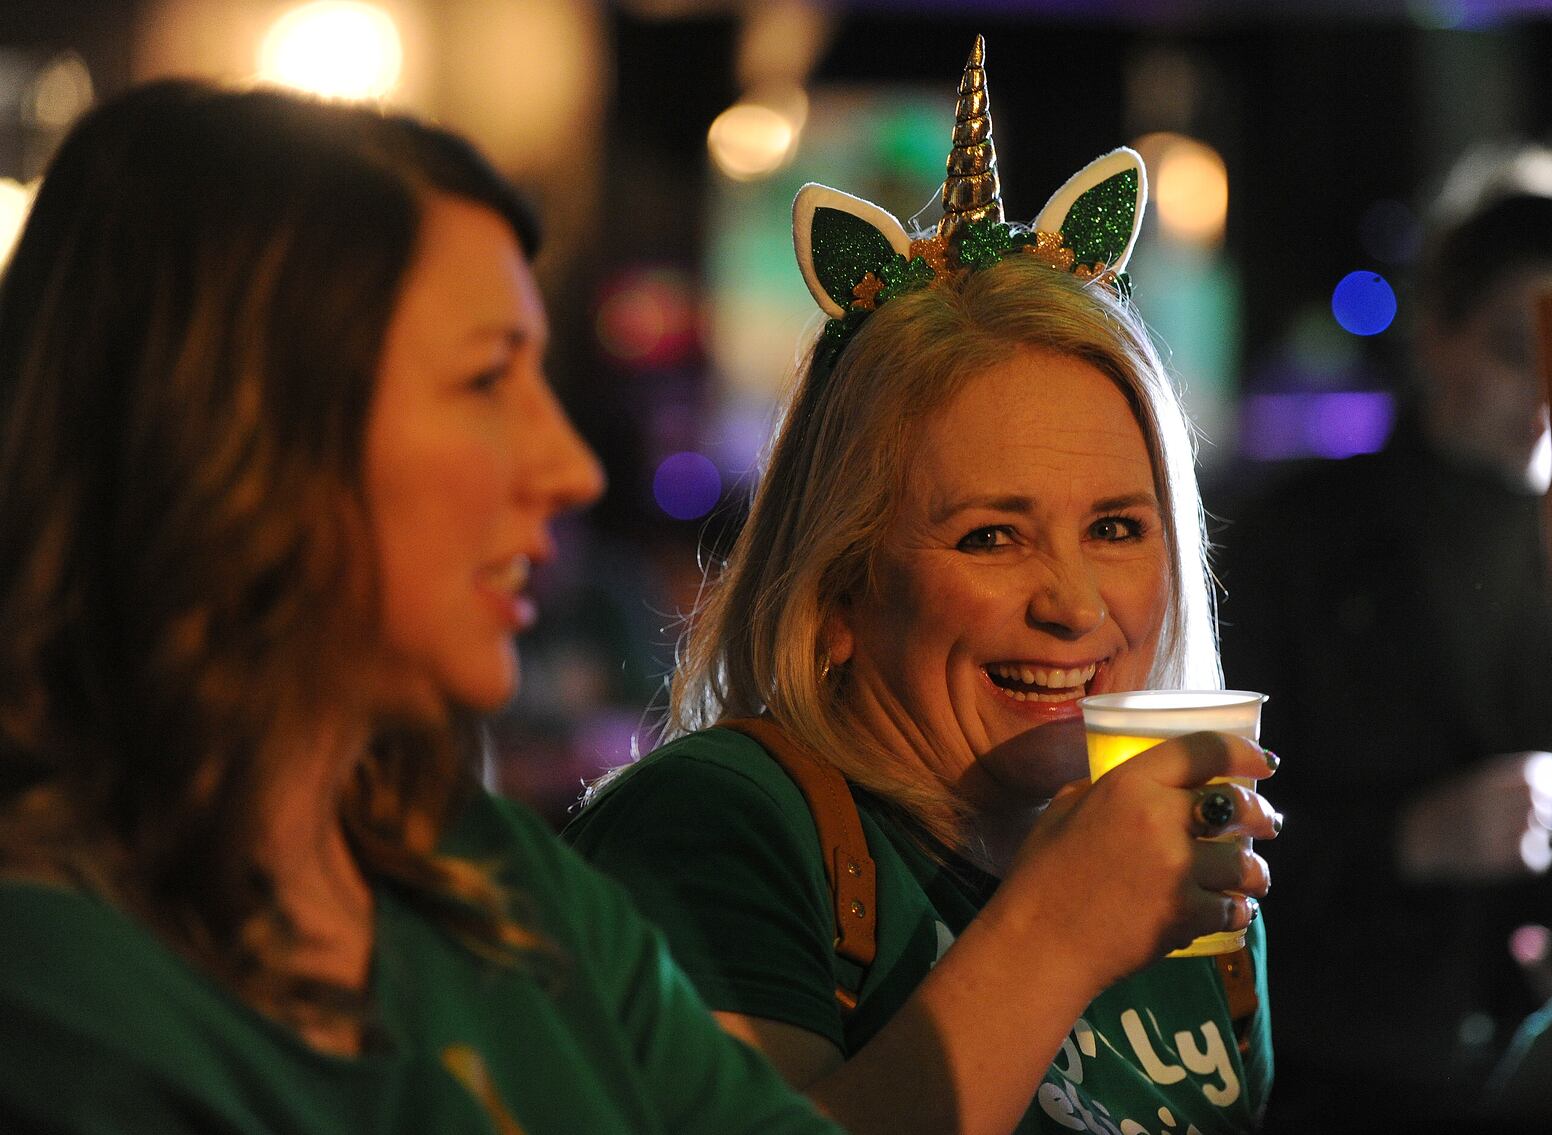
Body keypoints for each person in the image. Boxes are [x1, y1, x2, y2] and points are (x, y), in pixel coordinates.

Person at [0, 80, 845, 1134]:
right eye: (488, 378)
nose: (571, 469)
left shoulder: (488, 878)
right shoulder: (59, 1005)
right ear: (235, 430)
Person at [567, 39, 1281, 1135]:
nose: (1077, 605)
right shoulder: (717, 822)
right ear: (841, 588)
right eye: (992, 536)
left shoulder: (1181, 871)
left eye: (1117, 528)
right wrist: (1053, 930)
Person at [1215, 146, 1552, 1127]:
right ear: (1435, 335)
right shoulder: (1299, 541)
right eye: (1522, 350)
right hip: (1354, 1066)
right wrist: (1406, 839)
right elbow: (1204, 832)